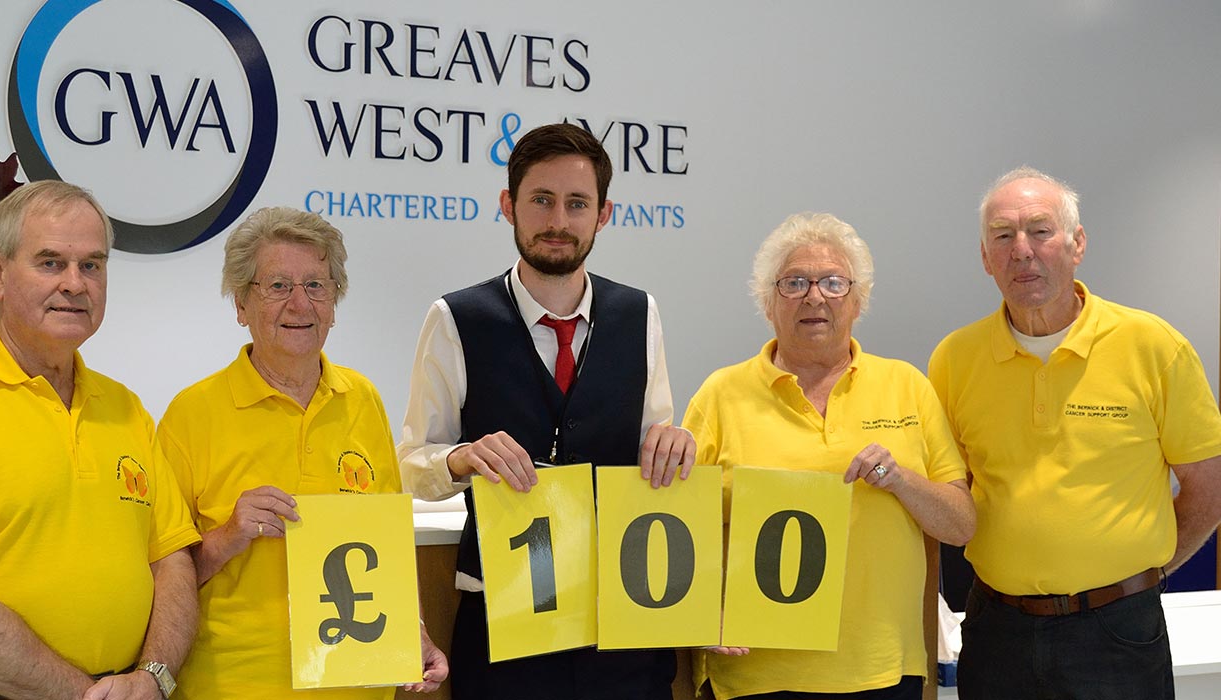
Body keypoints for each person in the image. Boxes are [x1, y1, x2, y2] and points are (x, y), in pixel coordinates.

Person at [397, 122, 696, 699]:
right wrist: (460, 458)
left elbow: (654, 445)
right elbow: (411, 464)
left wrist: (673, 444)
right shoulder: (456, 319)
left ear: (603, 215)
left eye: (577, 203)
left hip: (620, 622)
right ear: (508, 205)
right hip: (502, 624)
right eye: (541, 199)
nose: (558, 220)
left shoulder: (640, 314)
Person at [0, 180, 201, 700]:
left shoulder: (125, 409)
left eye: (91, 265)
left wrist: (154, 676)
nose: (75, 284)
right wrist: (83, 696)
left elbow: (172, 561)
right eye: (50, 263)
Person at [928, 167, 1221, 699]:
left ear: (1077, 243)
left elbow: (1210, 486)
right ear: (985, 257)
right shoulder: (954, 359)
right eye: (1002, 235)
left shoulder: (1153, 347)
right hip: (997, 630)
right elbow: (951, 494)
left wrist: (1139, 572)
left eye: (1040, 231)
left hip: (1117, 633)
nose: (1022, 250)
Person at [154, 206, 447, 699]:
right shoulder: (191, 414)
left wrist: (412, 634)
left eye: (316, 285)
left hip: (358, 685)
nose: (299, 304)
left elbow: (388, 548)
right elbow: (160, 578)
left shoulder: (363, 399)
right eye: (277, 286)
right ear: (241, 304)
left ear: (334, 302)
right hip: (236, 687)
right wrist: (228, 536)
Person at [684, 212, 975, 700]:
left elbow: (960, 525)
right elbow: (680, 527)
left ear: (858, 300)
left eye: (834, 283)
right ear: (768, 302)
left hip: (881, 672)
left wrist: (901, 479)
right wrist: (701, 612)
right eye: (794, 282)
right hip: (753, 673)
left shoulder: (907, 385)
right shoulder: (721, 394)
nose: (814, 297)